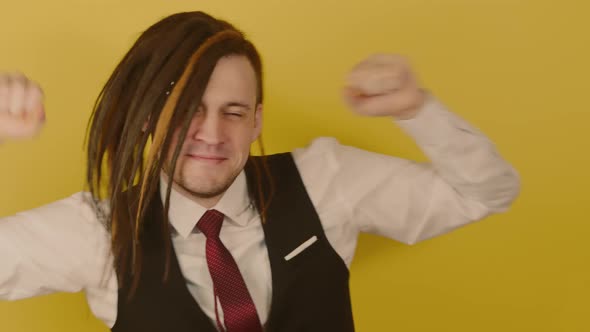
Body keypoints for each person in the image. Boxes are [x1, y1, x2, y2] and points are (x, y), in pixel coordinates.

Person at [0, 11, 520, 332]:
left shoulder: (326, 180)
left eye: (233, 111)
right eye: (186, 109)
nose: (210, 133)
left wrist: (417, 109)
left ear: (256, 121)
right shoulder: (98, 232)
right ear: (147, 123)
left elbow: (483, 193)